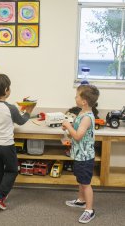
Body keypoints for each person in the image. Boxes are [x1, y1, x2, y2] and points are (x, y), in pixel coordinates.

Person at [0, 73, 36, 210]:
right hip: (6, 145)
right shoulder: (10, 108)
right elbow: (21, 121)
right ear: (6, 90)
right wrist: (29, 111)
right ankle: (0, 196)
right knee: (12, 170)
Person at [62, 84, 99, 224]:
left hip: (85, 157)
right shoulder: (81, 113)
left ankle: (89, 210)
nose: (75, 97)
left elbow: (77, 136)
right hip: (79, 155)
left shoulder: (87, 117)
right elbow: (76, 132)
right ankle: (81, 201)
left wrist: (69, 126)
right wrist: (67, 127)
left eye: (77, 95)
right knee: (81, 180)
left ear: (84, 101)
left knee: (86, 183)